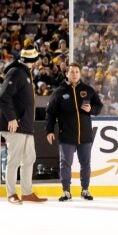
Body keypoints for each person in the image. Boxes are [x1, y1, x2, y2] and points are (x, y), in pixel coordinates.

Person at [0, 46, 48, 204]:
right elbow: (3, 97)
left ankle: (26, 192)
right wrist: (12, 118)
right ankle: (11, 194)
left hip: (25, 126)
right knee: (14, 160)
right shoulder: (16, 73)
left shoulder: (25, 74)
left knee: (29, 158)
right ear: (32, 61)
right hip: (15, 125)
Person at [45, 62, 103, 201]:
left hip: (85, 135)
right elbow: (50, 113)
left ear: (80, 74)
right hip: (66, 135)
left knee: (85, 163)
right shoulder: (59, 92)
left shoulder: (87, 89)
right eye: (72, 72)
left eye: (77, 72)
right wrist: (49, 130)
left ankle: (85, 190)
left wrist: (92, 110)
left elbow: (98, 106)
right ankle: (66, 191)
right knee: (65, 163)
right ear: (67, 74)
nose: (74, 74)